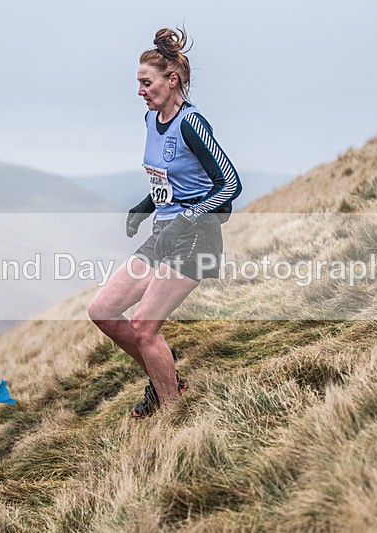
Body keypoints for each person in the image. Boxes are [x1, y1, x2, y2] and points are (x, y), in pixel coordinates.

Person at [88, 27, 241, 419]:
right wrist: (145, 205)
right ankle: (164, 381)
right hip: (163, 234)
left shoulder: (192, 124)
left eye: (146, 82)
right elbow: (169, 179)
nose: (140, 90)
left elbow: (230, 184)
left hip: (196, 238)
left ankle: (172, 414)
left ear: (172, 81)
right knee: (102, 309)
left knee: (143, 326)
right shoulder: (150, 120)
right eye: (138, 83)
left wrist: (185, 218)